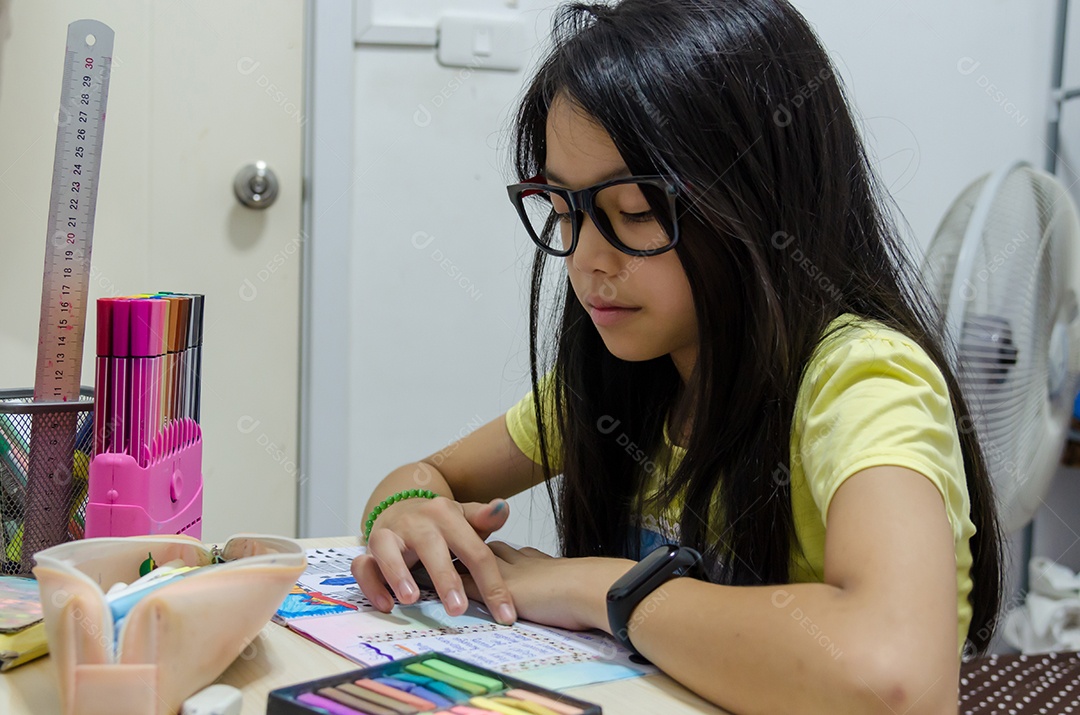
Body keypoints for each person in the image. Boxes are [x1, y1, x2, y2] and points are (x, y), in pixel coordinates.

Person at [351, 0, 1003, 712]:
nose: (587, 261)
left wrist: (594, 587)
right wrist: (410, 509)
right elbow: (428, 475)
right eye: (563, 211)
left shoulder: (862, 381)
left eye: (634, 210)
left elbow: (892, 674)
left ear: (761, 201)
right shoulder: (622, 380)